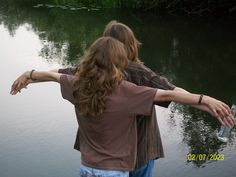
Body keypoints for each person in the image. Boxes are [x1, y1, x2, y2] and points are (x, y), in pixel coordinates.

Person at [11, 37, 235, 177]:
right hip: (114, 172)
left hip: (86, 168)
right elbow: (168, 93)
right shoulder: (126, 91)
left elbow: (52, 75)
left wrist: (28, 74)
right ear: (119, 62)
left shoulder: (76, 84)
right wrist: (204, 99)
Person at [54, 20, 225, 177]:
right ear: (131, 45)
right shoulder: (139, 73)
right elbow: (173, 92)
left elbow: (58, 73)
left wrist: (31, 75)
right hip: (139, 151)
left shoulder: (89, 72)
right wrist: (209, 104)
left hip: (98, 154)